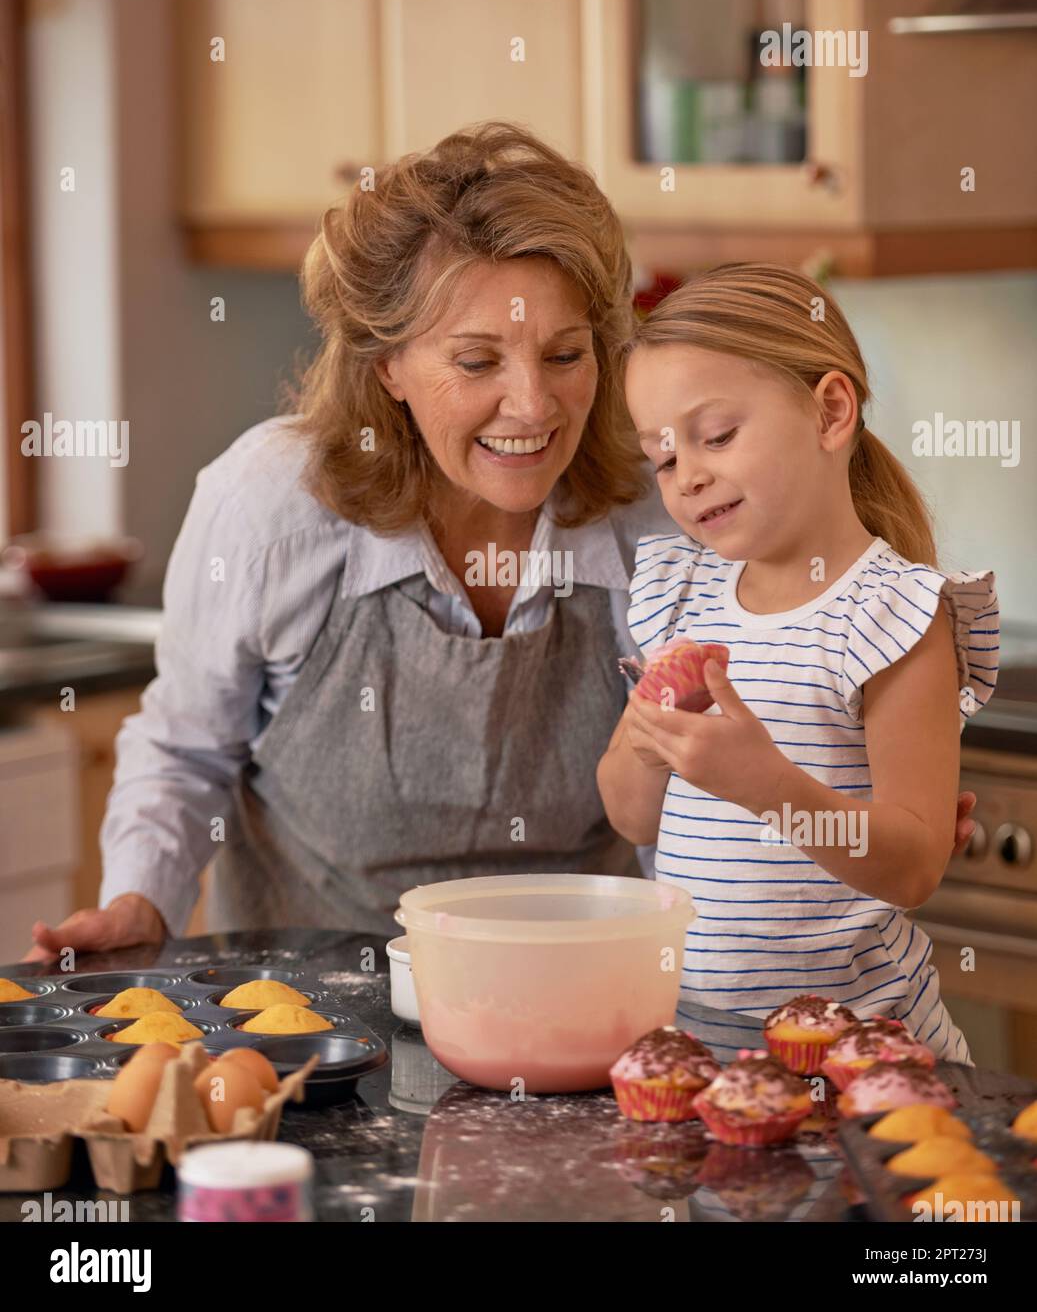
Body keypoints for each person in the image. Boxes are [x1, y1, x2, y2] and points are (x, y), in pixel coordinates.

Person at [23, 130, 978, 964]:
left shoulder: (664, 510)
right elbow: (187, 750)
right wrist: (137, 901)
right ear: (387, 363)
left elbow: (725, 753)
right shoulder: (274, 504)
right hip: (313, 1018)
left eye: (565, 355)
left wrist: (861, 795)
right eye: (477, 362)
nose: (533, 406)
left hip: (589, 1017)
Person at [597, 263, 996, 1061]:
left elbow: (914, 865)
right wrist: (645, 742)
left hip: (862, 1054)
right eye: (664, 459)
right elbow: (631, 816)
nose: (690, 476)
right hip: (697, 1051)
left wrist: (767, 786)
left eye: (715, 437)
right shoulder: (679, 593)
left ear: (829, 411)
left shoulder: (895, 615)